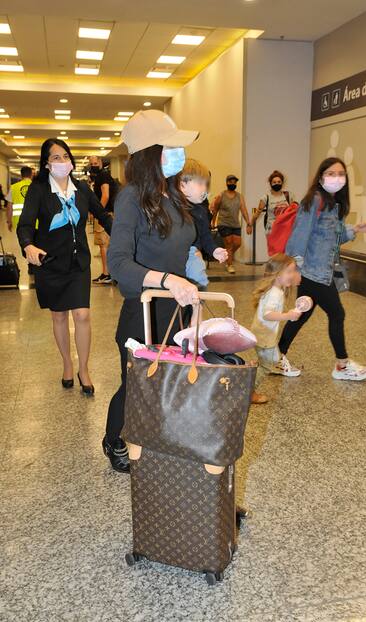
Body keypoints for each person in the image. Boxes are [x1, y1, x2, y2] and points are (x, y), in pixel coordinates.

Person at [103, 109, 200, 473]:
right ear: (150, 154)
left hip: (177, 311)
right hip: (143, 311)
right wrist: (167, 280)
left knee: (170, 385)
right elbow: (119, 263)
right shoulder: (130, 198)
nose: (179, 154)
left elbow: (183, 242)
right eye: (171, 147)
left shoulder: (173, 194)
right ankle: (114, 439)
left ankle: (163, 448)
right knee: (135, 388)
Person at [16, 139, 113, 395]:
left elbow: (102, 215)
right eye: (56, 157)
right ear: (46, 163)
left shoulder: (81, 189)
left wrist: (123, 235)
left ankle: (84, 368)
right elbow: (25, 224)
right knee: (59, 315)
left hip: (78, 261)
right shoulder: (38, 190)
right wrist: (28, 245)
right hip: (50, 263)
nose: (62, 161)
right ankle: (67, 364)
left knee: (82, 315)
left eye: (65, 156)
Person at [278, 157, 366, 381]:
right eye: (331, 173)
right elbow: (300, 234)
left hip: (322, 271)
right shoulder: (315, 200)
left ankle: (276, 356)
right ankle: (342, 365)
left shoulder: (333, 203)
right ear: (321, 177)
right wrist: (295, 269)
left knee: (301, 315)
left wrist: (356, 229)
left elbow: (332, 238)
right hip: (312, 272)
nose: (337, 178)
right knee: (337, 313)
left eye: (341, 174)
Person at [251, 254, 302, 404]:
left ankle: (255, 366)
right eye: (289, 271)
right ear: (277, 274)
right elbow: (268, 315)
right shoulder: (274, 293)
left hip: (260, 334)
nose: (292, 275)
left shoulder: (275, 289)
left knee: (271, 359)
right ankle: (250, 392)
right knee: (268, 365)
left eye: (293, 271)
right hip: (265, 336)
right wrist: (288, 315)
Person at [178, 158, 228, 290]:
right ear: (182, 185)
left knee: (199, 287)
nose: (205, 188)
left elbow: (206, 236)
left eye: (206, 184)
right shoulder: (172, 208)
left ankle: (196, 310)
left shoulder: (200, 210)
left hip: (193, 256)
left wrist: (214, 250)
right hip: (174, 259)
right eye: (200, 184)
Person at [210, 174, 252, 273]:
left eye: (234, 182)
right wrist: (213, 221)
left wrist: (248, 223)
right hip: (223, 223)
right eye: (230, 182)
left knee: (237, 243)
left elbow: (244, 210)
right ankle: (230, 265)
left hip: (235, 224)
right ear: (227, 183)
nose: (232, 183)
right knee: (229, 244)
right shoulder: (221, 195)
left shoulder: (239, 196)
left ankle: (226, 255)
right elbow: (215, 210)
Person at [88, 156, 118, 284]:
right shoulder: (101, 176)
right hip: (108, 213)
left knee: (104, 245)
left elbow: (105, 195)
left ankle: (107, 273)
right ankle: (109, 273)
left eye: (96, 163)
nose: (94, 165)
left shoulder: (103, 176)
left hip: (105, 214)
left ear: (100, 163)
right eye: (91, 163)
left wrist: (99, 212)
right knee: (105, 245)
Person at [251, 170, 296, 239]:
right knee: (275, 249)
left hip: (285, 230)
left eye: (279, 182)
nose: (276, 184)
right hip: (272, 230)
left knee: (285, 249)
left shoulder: (288, 195)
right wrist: (250, 225)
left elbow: (295, 212)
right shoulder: (266, 197)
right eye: (274, 182)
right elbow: (257, 212)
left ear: (282, 183)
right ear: (270, 184)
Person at [6, 166, 33, 232]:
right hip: (34, 221)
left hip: (18, 221)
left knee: (22, 241)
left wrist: (9, 221)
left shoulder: (13, 187)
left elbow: (9, 207)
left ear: (21, 175)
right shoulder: (37, 186)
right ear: (31, 175)